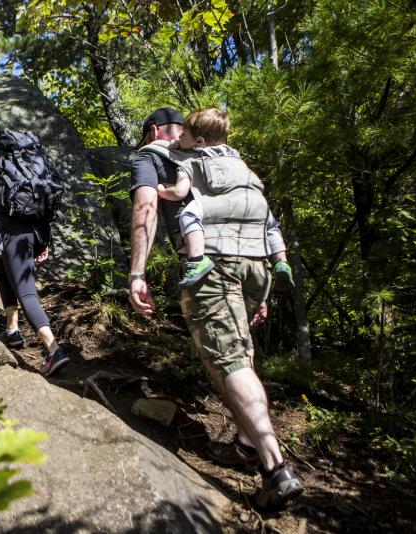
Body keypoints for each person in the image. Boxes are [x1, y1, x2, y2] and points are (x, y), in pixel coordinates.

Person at [128, 107, 304, 507]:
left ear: (154, 130)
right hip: (256, 260)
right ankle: (245, 442)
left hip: (214, 261)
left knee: (229, 361)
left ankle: (275, 468)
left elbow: (145, 208)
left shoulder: (153, 156)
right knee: (237, 350)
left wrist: (137, 274)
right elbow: (262, 215)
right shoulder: (234, 160)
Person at [0, 118, 70, 376]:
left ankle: (54, 351)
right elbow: (41, 193)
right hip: (38, 229)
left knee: (27, 293)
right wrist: (44, 239)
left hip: (16, 234)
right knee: (1, 268)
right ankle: (12, 330)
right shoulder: (22, 154)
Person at [153, 108, 295, 289]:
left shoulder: (191, 163)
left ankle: (197, 260)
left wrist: (160, 190)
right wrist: (181, 143)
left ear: (199, 141)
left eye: (183, 134)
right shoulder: (237, 158)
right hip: (254, 204)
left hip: (220, 208)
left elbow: (179, 192)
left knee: (188, 215)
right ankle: (281, 262)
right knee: (272, 226)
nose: (179, 137)